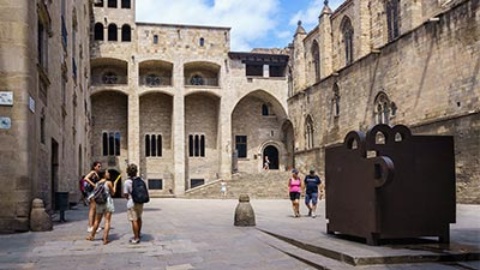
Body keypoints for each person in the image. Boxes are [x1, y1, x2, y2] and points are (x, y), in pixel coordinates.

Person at [85, 169, 118, 245]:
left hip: (99, 203)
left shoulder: (97, 183)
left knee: (97, 221)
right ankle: (105, 239)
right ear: (104, 175)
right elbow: (113, 193)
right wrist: (115, 184)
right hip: (108, 203)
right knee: (107, 221)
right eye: (107, 173)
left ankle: (91, 236)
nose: (108, 174)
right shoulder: (108, 182)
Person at [124, 163, 145, 244]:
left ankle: (136, 238)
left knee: (134, 220)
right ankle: (138, 234)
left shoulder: (127, 182)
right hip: (140, 202)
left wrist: (128, 198)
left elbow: (126, 194)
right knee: (139, 218)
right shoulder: (141, 180)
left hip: (132, 202)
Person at [84, 161, 102, 233]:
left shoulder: (96, 174)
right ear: (94, 167)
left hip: (95, 193)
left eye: (100, 166)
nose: (99, 168)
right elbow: (86, 178)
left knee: (95, 210)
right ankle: (90, 226)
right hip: (92, 193)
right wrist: (94, 185)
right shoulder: (92, 172)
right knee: (92, 209)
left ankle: (93, 225)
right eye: (98, 166)